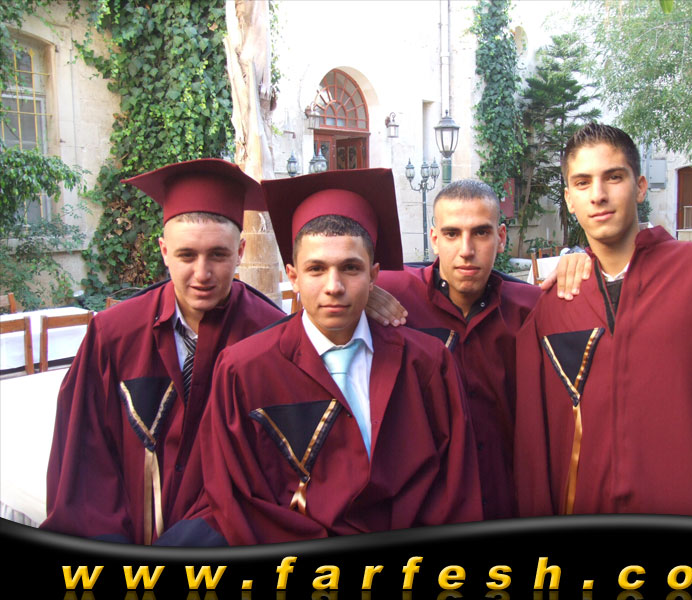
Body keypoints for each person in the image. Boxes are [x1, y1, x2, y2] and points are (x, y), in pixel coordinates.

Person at [159, 168, 483, 546]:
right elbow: (237, 496)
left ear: (374, 275)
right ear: (294, 276)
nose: (334, 286)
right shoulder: (243, 370)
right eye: (316, 269)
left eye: (350, 268)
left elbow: (453, 486)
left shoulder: (427, 364)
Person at [514, 123, 692, 522]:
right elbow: (534, 447)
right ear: (570, 200)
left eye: (614, 177)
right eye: (582, 182)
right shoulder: (555, 307)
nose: (598, 194)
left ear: (641, 187)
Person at [40, 159, 286, 544]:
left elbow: (274, 474)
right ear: (164, 250)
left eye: (218, 255)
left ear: (240, 251)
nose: (202, 274)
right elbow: (85, 462)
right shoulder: (113, 335)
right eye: (187, 255)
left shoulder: (272, 338)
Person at [375, 179, 591, 520]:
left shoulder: (532, 309)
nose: (466, 249)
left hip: (508, 502)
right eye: (451, 234)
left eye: (480, 232)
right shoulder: (394, 297)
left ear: (501, 237)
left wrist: (583, 261)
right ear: (434, 239)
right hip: (423, 511)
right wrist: (360, 294)